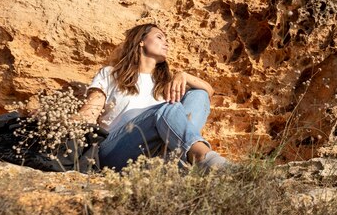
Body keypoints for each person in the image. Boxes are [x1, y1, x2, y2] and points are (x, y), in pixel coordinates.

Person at [76, 23, 228, 173]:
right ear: (141, 41)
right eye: (159, 37)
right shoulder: (111, 74)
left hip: (154, 156)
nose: (166, 43)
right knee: (166, 109)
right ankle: (203, 158)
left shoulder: (167, 84)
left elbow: (207, 93)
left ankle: (175, 159)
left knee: (198, 94)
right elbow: (88, 114)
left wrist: (184, 76)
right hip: (115, 152)